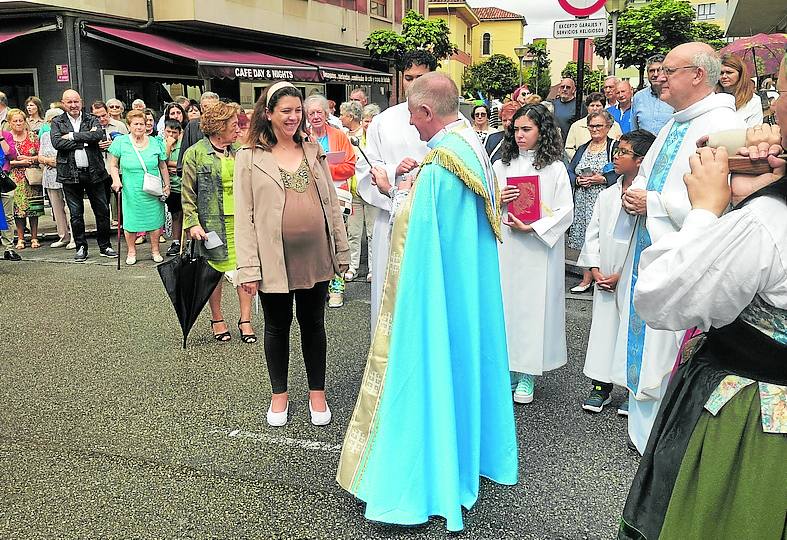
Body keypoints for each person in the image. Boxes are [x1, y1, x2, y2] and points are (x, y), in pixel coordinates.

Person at [337, 72, 517, 532]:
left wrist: (391, 186)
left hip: (434, 292)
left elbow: (411, 230)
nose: (411, 129)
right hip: (465, 290)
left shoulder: (440, 165)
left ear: (426, 112)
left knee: (422, 367)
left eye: (413, 117)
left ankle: (418, 481)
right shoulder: (471, 147)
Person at [619, 58, 787, 538]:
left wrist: (707, 210)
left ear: (699, 73)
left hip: (751, 420)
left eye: (783, 94)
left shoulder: (767, 220)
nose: (773, 107)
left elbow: (659, 298)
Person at [614, 42, 745, 452]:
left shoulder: (722, 127)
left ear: (698, 75)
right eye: (659, 70)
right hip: (650, 247)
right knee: (645, 341)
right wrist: (635, 192)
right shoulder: (675, 123)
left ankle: (664, 435)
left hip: (682, 256)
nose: (659, 77)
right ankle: (644, 431)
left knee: (666, 346)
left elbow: (716, 203)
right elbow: (650, 175)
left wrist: (651, 201)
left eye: (669, 70)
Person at [235, 82, 348, 425]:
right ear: (268, 114)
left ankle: (318, 395)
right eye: (285, 111)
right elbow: (245, 215)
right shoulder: (249, 157)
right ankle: (279, 396)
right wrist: (248, 268)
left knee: (314, 325)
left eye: (297, 110)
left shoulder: (314, 150)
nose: (293, 117)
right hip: (273, 260)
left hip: (314, 256)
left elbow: (330, 203)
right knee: (276, 326)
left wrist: (341, 252)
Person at [495, 104, 574, 404]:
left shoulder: (554, 169)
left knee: (532, 308)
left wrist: (535, 226)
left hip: (538, 248)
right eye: (516, 129)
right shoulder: (501, 166)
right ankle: (508, 369)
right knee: (507, 306)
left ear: (542, 131)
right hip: (507, 245)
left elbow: (565, 211)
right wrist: (497, 197)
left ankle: (527, 374)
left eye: (526, 129)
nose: (519, 135)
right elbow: (485, 201)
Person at [357, 49, 437, 329]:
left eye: (421, 77)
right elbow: (365, 168)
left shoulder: (452, 121)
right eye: (408, 77)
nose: (413, 84)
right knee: (390, 294)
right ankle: (386, 364)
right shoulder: (384, 121)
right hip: (390, 216)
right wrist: (394, 172)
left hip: (433, 219)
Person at [578, 129, 656, 413]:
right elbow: (594, 234)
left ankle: (630, 388)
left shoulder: (648, 198)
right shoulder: (608, 195)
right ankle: (601, 386)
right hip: (605, 276)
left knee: (631, 330)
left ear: (641, 160)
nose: (616, 155)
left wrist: (624, 275)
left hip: (631, 277)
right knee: (604, 329)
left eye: (623, 152)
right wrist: (595, 268)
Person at [179, 102, 257, 345]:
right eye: (234, 125)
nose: (238, 129)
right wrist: (192, 223)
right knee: (215, 272)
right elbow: (187, 194)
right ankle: (217, 319)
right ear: (219, 127)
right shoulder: (195, 153)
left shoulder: (241, 151)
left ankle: (245, 320)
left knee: (246, 270)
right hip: (211, 224)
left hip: (242, 222)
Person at [51, 90, 117, 262]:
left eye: (76, 101)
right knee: (76, 213)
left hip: (95, 172)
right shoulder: (57, 121)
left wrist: (72, 136)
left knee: (102, 211)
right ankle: (81, 247)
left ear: (81, 101)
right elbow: (57, 143)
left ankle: (105, 246)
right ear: (63, 103)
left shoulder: (91, 118)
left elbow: (97, 135)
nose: (73, 105)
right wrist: (86, 140)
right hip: (69, 175)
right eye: (69, 102)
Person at [304, 94, 356, 308]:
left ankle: (337, 287)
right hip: (310, 197)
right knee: (315, 243)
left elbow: (350, 166)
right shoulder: (302, 136)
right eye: (312, 113)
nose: (316, 116)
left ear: (326, 114)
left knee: (337, 242)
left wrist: (325, 168)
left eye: (319, 112)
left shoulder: (339, 136)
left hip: (337, 196)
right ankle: (319, 286)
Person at [567, 110, 620, 293]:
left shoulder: (615, 146)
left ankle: (603, 276)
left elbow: (621, 171)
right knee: (584, 238)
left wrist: (603, 179)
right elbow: (570, 170)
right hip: (582, 199)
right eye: (591, 126)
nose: (595, 129)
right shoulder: (582, 147)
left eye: (599, 125)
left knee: (602, 237)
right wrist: (577, 180)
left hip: (603, 199)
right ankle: (586, 278)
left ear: (608, 127)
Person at [107, 110, 169, 264]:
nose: (140, 127)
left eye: (142, 123)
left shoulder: (156, 142)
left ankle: (155, 250)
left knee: (155, 220)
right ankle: (131, 251)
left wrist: (166, 185)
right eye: (136, 124)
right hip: (131, 189)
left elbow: (162, 166)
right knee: (131, 221)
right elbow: (113, 165)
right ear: (129, 125)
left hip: (153, 189)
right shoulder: (121, 142)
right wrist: (116, 180)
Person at [339, 100, 376, 282]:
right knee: (353, 233)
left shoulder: (379, 141)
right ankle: (352, 267)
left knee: (372, 233)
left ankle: (372, 268)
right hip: (354, 193)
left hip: (372, 193)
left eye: (372, 120)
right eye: (366, 120)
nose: (368, 124)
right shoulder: (353, 139)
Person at [7, 109, 43, 249]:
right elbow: (3, 161)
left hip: (32, 177)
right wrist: (19, 163)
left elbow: (40, 156)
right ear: (10, 123)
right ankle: (20, 238)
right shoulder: (6, 138)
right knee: (18, 210)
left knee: (34, 208)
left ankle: (34, 237)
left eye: (20, 120)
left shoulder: (33, 136)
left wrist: (29, 159)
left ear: (25, 121)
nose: (18, 123)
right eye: (15, 121)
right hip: (14, 178)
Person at [38, 108, 73, 249]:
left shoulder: (69, 135)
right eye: (53, 120)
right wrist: (47, 161)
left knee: (71, 208)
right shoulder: (45, 136)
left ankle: (75, 238)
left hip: (67, 175)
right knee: (57, 209)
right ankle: (63, 236)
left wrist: (57, 162)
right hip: (50, 176)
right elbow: (40, 156)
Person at [92, 100, 128, 227]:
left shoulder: (119, 126)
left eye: (104, 115)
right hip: (99, 169)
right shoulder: (90, 128)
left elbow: (129, 146)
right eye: (97, 117)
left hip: (118, 169)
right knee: (102, 202)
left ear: (108, 113)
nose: (101, 119)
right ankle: (104, 227)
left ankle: (125, 227)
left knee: (121, 200)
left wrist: (114, 145)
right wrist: (96, 146)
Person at [564, 92, 624, 160]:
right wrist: (580, 159)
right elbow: (569, 148)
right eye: (592, 105)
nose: (595, 108)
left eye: (598, 105)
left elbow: (620, 146)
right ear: (587, 107)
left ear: (604, 107)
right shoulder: (576, 126)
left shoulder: (614, 125)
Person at [177, 92, 219, 175]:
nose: (209, 110)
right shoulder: (192, 126)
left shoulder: (224, 126)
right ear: (201, 108)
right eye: (206, 107)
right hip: (197, 174)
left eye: (213, 107)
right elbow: (183, 155)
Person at [631, 54, 674, 136]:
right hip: (644, 147)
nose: (655, 74)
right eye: (651, 71)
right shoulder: (639, 97)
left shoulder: (675, 95)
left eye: (659, 70)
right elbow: (634, 129)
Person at [717, 53, 764, 128]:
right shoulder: (713, 97)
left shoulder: (753, 100)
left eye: (729, 72)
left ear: (740, 74)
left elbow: (755, 130)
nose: (724, 76)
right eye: (721, 73)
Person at [161, 119, 184, 257]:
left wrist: (173, 165)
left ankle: (188, 242)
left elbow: (184, 162)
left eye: (174, 132)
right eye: (168, 131)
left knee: (186, 214)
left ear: (179, 133)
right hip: (171, 187)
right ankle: (176, 242)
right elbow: (162, 161)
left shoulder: (184, 145)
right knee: (175, 214)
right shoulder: (161, 143)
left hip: (183, 184)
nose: (171, 135)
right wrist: (168, 146)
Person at [0, 116, 19, 260]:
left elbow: (11, 154)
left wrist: (1, 138)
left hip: (3, 179)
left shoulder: (6, 135)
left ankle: (9, 248)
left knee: (8, 216)